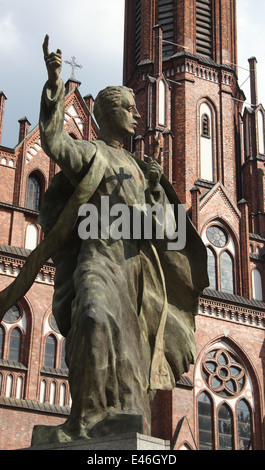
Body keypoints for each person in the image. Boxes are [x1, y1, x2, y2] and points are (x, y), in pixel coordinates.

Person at [2, 36, 209, 445]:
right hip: (97, 262)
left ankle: (123, 418)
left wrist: (155, 189)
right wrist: (54, 87)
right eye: (129, 109)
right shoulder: (91, 153)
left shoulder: (136, 165)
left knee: (131, 357)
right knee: (93, 318)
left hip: (133, 274)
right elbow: (54, 142)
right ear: (110, 113)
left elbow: (157, 227)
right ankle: (83, 420)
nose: (136, 116)